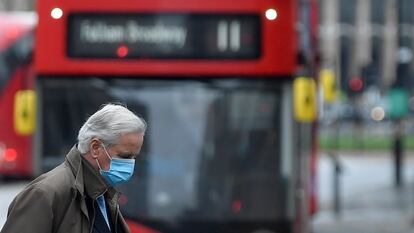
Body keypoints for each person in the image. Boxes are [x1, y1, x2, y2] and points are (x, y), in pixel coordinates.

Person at [0, 103, 147, 233]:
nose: (130, 164)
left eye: (134, 157)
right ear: (95, 147)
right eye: (125, 156)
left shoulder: (103, 194)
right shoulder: (45, 194)